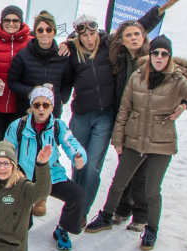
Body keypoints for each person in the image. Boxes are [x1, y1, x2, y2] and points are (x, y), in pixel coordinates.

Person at [86, 35, 187, 251]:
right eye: (155, 53)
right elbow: (124, 109)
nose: (159, 57)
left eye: (164, 54)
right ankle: (106, 216)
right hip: (134, 138)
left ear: (169, 57)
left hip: (161, 142)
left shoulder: (177, 80)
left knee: (152, 190)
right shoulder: (137, 77)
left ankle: (151, 229)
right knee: (119, 182)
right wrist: (118, 139)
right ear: (150, 55)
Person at [63, 12, 156, 219]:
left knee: (93, 165)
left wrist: (159, 10)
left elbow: (137, 27)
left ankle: (82, 212)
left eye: (92, 34)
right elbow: (65, 82)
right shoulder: (71, 53)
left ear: (97, 32)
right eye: (84, 36)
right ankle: (75, 202)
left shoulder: (109, 45)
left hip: (105, 115)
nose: (89, 40)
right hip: (81, 116)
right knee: (78, 162)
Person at [100, 0, 179, 226]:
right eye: (129, 36)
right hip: (126, 122)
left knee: (143, 173)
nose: (134, 38)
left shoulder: (157, 58)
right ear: (122, 41)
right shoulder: (120, 58)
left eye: (137, 34)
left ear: (143, 37)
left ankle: (142, 215)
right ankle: (123, 208)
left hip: (152, 126)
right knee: (126, 169)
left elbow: (183, 85)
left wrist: (157, 12)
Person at [3, 88, 87, 250]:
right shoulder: (18, 126)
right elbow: (6, 149)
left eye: (46, 105)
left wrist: (77, 155)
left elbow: (71, 142)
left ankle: (63, 229)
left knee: (77, 195)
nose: (41, 109)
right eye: (37, 104)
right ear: (31, 106)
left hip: (51, 176)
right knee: (21, 226)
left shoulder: (58, 126)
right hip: (24, 178)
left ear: (51, 106)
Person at [0, 6, 31, 174]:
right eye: (7, 20)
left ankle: (9, 181)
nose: (11, 23)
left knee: (13, 144)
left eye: (15, 20)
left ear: (21, 22)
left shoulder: (29, 42)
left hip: (18, 104)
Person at [6, 11, 71, 118]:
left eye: (48, 29)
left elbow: (68, 83)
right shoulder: (23, 55)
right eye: (40, 30)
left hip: (52, 112)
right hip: (27, 111)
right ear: (35, 33)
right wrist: (31, 91)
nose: (44, 33)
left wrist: (61, 99)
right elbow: (12, 82)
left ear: (54, 32)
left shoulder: (62, 56)